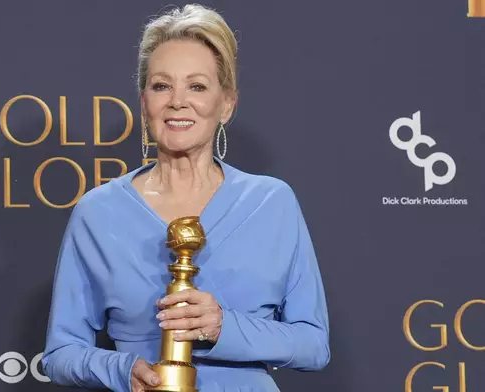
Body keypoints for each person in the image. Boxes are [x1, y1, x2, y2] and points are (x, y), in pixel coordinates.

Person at [41, 4, 330, 391]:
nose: (178, 101)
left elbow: (313, 345)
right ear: (144, 103)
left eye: (197, 86)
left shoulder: (271, 202)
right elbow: (61, 353)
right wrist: (122, 369)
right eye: (162, 85)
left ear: (226, 104)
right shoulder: (98, 212)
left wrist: (224, 327)